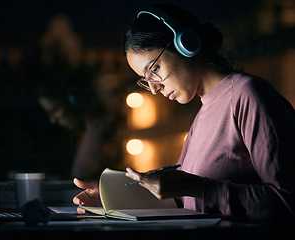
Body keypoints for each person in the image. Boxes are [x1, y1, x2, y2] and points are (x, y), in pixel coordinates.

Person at [73, 4, 295, 225]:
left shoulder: (248, 95)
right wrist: (112, 197)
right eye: (145, 79)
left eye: (155, 69)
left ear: (185, 44)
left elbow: (287, 203)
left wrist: (196, 187)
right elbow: (182, 198)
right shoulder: (203, 114)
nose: (153, 89)